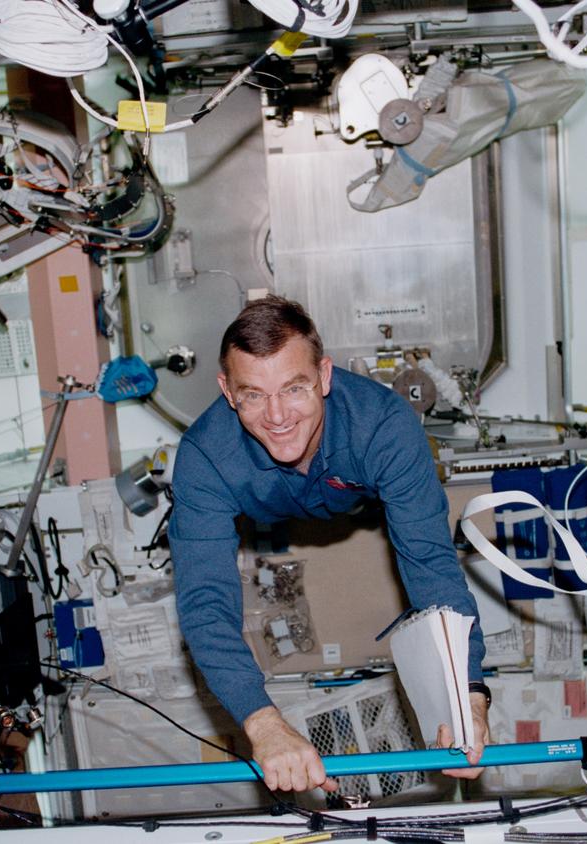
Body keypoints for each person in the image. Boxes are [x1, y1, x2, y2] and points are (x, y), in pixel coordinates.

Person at [169, 295, 490, 793]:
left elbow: (429, 562)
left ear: (323, 376)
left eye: (294, 388)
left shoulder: (383, 424)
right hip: (264, 512)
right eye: (253, 394)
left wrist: (467, 691)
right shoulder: (203, 457)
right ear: (227, 392)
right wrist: (264, 724)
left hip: (358, 503)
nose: (277, 415)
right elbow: (205, 604)